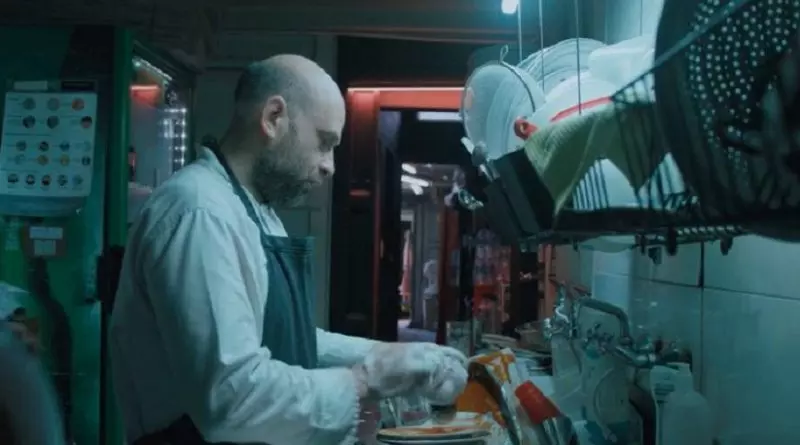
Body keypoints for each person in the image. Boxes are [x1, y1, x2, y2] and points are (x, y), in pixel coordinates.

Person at [109, 54, 468, 445]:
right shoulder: (199, 212)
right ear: (273, 118)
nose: (330, 166)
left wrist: (390, 355)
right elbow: (231, 397)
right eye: (324, 143)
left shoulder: (256, 210)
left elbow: (288, 339)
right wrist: (365, 379)